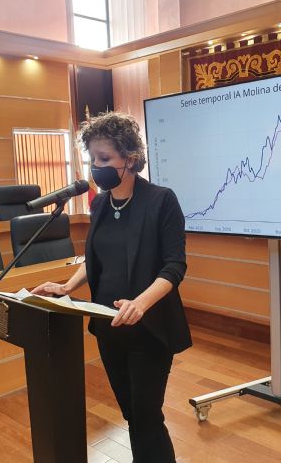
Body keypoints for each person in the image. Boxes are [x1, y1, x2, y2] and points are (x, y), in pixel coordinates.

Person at [33, 112, 192, 463]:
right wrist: (67, 286)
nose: (96, 167)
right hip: (109, 325)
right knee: (132, 414)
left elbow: (174, 266)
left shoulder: (161, 200)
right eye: (93, 160)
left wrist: (140, 303)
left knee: (147, 416)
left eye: (104, 159)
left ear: (130, 159)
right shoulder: (100, 203)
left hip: (149, 327)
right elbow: (95, 258)